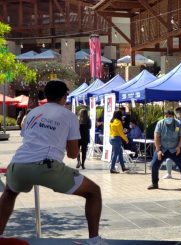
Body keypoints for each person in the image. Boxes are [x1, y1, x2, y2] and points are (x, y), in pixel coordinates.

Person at [0, 80, 108, 245]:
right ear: (64, 96)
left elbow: (29, 140)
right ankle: (94, 240)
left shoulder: (32, 113)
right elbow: (72, 154)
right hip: (47, 166)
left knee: (9, 194)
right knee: (93, 192)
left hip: (18, 164)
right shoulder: (69, 116)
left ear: (47, 95)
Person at [147, 109, 181, 190]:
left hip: (175, 149)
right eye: (167, 116)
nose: (168, 118)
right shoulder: (160, 123)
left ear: (173, 116)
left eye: (170, 116)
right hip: (162, 149)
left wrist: (179, 146)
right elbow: (156, 137)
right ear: (164, 117)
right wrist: (158, 150)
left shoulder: (178, 124)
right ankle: (154, 183)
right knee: (154, 164)